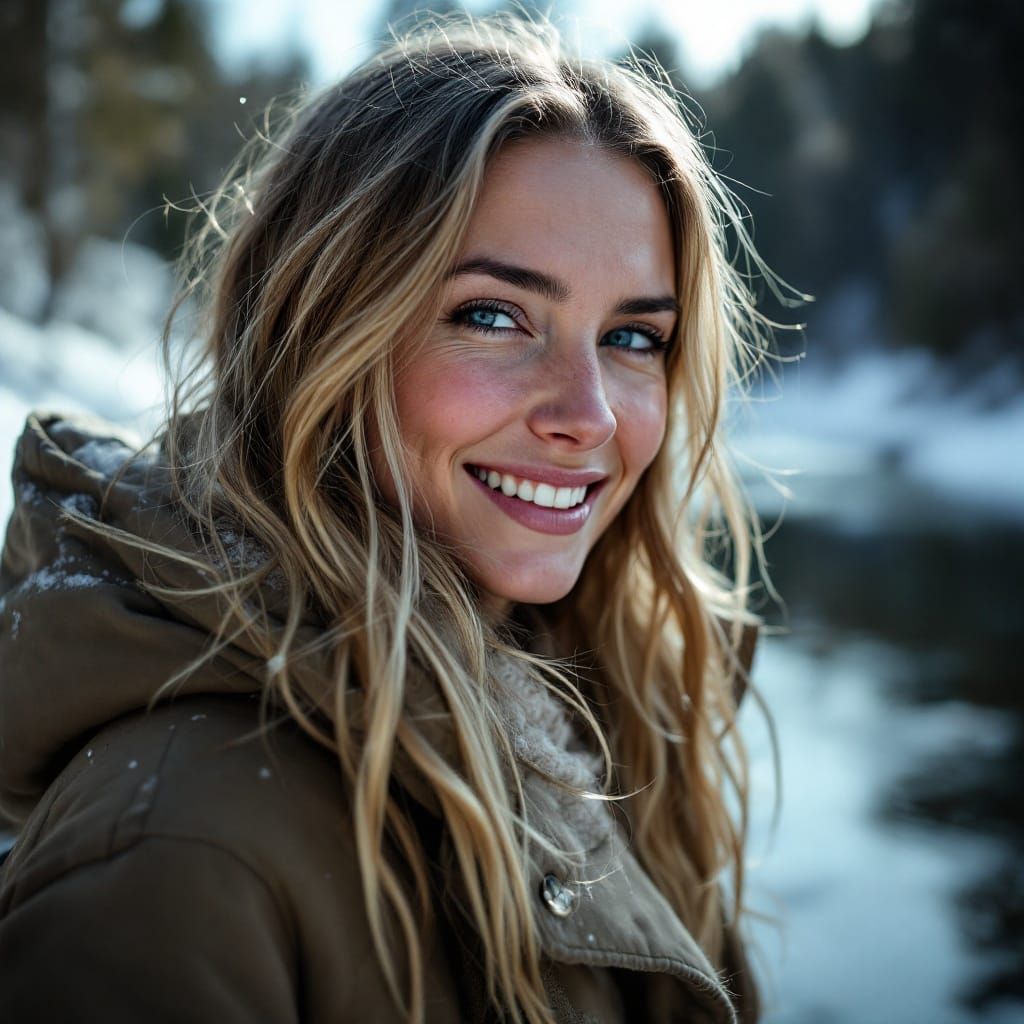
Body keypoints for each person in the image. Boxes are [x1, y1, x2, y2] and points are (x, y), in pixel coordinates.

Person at [0, 12, 794, 1023]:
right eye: (493, 316)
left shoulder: (606, 727)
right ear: (320, 331)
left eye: (633, 336)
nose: (588, 414)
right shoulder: (180, 847)